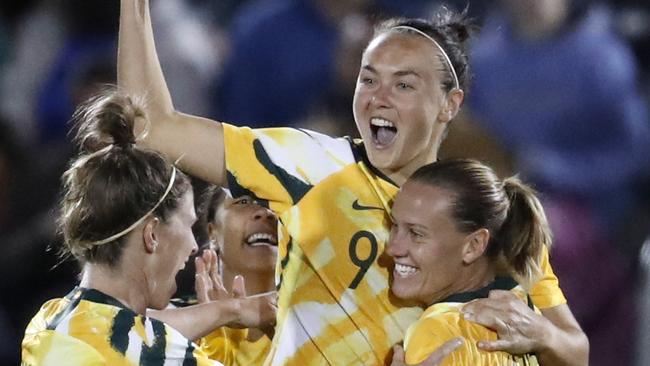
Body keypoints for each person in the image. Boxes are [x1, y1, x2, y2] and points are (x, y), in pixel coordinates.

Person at [118, 1, 588, 364]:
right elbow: (152, 127)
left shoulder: (486, 213)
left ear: (450, 104)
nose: (378, 98)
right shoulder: (309, 163)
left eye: (404, 85)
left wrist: (541, 333)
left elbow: (575, 351)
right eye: (369, 80)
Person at [21, 89, 275, 365]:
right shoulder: (153, 353)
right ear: (151, 234)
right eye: (189, 225)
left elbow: (127, 325)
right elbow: (134, 336)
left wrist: (228, 311)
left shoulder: (49, 318)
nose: (193, 245)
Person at [387, 159, 551, 365]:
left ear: (474, 245)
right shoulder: (526, 310)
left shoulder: (437, 332)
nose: (393, 248)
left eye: (416, 233)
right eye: (394, 225)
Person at [196, 187, 277, 365]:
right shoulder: (172, 327)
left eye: (274, 202)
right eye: (243, 202)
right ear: (212, 231)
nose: (265, 212)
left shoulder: (323, 323)